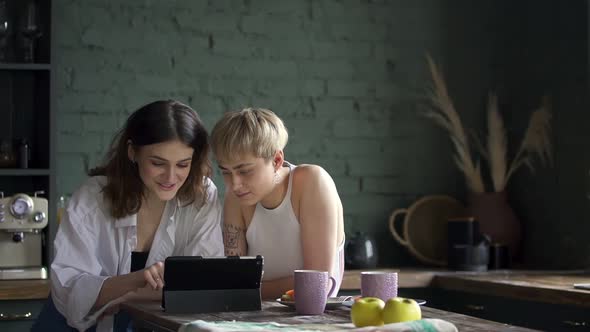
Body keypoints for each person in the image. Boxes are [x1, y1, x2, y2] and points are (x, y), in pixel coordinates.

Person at [36, 100, 224, 332]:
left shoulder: (201, 195)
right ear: (132, 152)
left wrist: (117, 293)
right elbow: (70, 289)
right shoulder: (94, 197)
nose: (171, 177)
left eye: (183, 164)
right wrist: (139, 280)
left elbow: (204, 284)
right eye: (158, 163)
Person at [210, 108, 345, 300]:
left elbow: (317, 285)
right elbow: (235, 282)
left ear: (276, 160)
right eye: (225, 171)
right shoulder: (236, 197)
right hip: (256, 317)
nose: (234, 184)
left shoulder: (312, 182)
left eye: (245, 171)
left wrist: (248, 289)